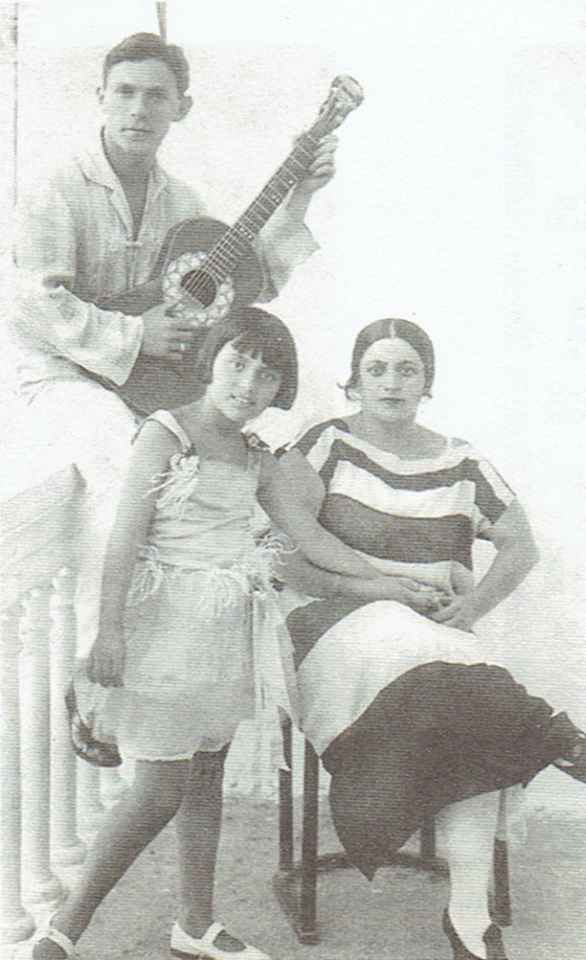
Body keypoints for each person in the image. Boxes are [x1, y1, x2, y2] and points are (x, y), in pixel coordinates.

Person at [26, 308, 390, 960]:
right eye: (237, 363)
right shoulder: (166, 433)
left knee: (204, 775)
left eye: (266, 374)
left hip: (222, 636)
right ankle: (64, 927)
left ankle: (195, 922)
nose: (248, 384)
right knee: (157, 790)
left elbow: (310, 538)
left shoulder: (255, 456)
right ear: (210, 360)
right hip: (164, 634)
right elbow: (123, 539)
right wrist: (109, 631)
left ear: (280, 388)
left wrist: (390, 581)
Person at [9, 31, 336, 649]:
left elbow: (248, 284)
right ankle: (99, 651)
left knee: (241, 461)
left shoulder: (184, 202)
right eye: (125, 92)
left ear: (181, 107)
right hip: (63, 377)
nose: (139, 109)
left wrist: (300, 197)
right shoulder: (56, 188)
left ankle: (196, 635)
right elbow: (34, 305)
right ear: (100, 97)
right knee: (129, 465)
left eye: (156, 96)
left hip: (156, 383)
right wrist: (135, 334)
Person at [277, 317, 586, 960]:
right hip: (333, 629)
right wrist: (383, 589)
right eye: (377, 369)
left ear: (427, 381)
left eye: (407, 369)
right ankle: (553, 734)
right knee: (444, 667)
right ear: (356, 380)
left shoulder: (462, 462)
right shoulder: (326, 444)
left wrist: (471, 607)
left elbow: (520, 546)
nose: (392, 382)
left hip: (434, 643)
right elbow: (284, 556)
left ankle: (469, 919)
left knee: (464, 698)